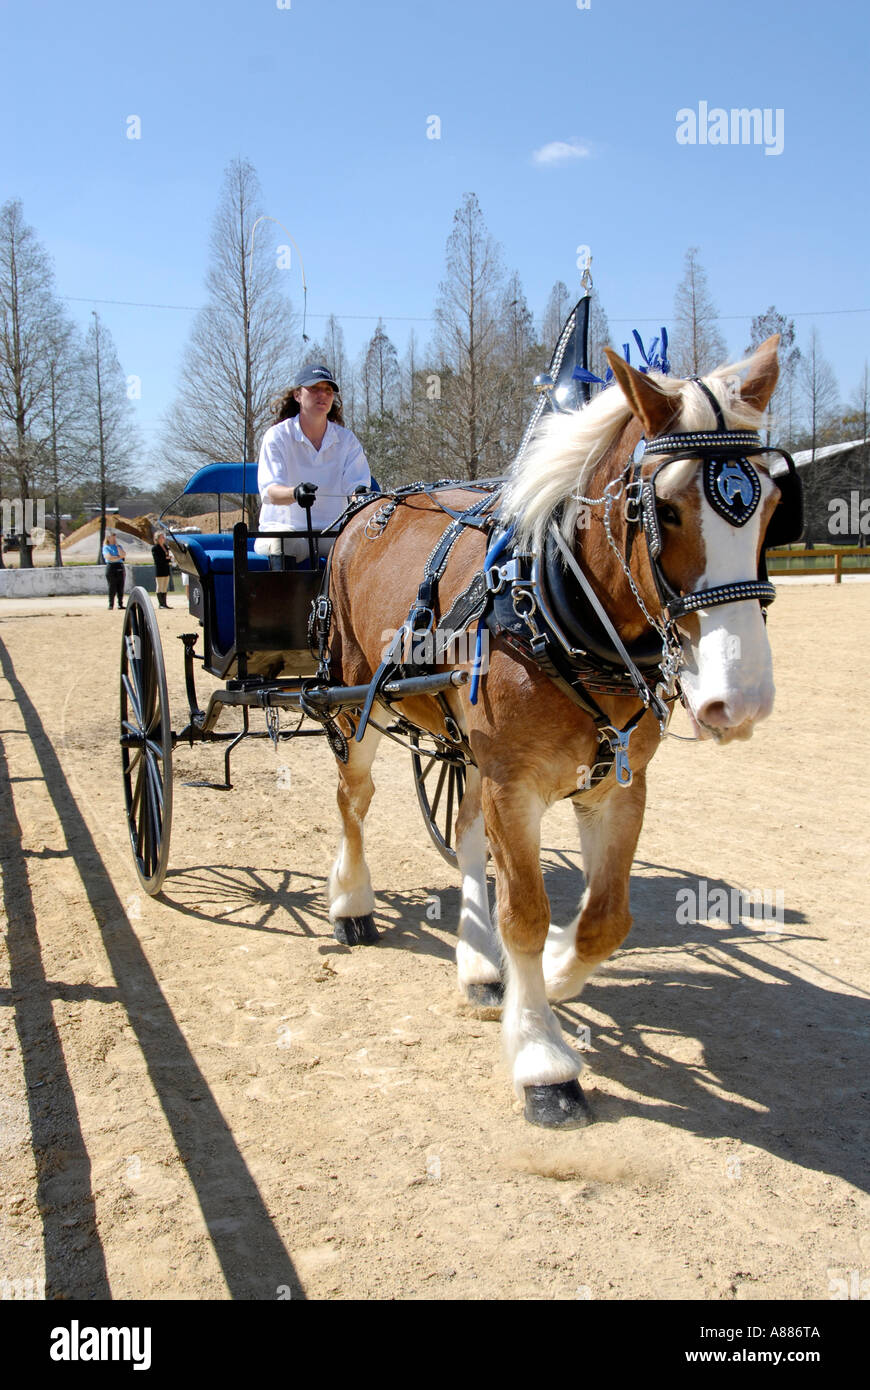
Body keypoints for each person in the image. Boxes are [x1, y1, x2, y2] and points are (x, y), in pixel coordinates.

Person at [256, 363, 371, 567]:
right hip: (286, 529)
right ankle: (286, 600)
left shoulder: (347, 440)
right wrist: (295, 493)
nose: (323, 395)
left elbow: (356, 488)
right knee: (282, 543)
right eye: (315, 388)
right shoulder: (277, 436)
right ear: (297, 395)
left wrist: (360, 495)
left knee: (364, 545)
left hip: (333, 532)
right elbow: (270, 492)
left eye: (328, 390)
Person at [102, 527, 126, 609]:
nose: (114, 538)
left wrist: (117, 547)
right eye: (113, 536)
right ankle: (111, 604)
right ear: (108, 537)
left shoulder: (119, 546)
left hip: (119, 566)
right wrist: (118, 557)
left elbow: (123, 555)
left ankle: (120, 603)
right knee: (112, 586)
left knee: (120, 586)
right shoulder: (106, 547)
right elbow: (109, 557)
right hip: (111, 567)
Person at [151, 531, 173, 608]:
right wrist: (166, 558)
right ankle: (160, 604)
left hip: (166, 568)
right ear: (158, 539)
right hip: (159, 569)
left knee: (165, 586)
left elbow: (169, 557)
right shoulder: (155, 548)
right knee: (159, 586)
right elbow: (157, 559)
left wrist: (168, 558)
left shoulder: (166, 547)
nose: (163, 539)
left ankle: (164, 603)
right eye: (162, 537)